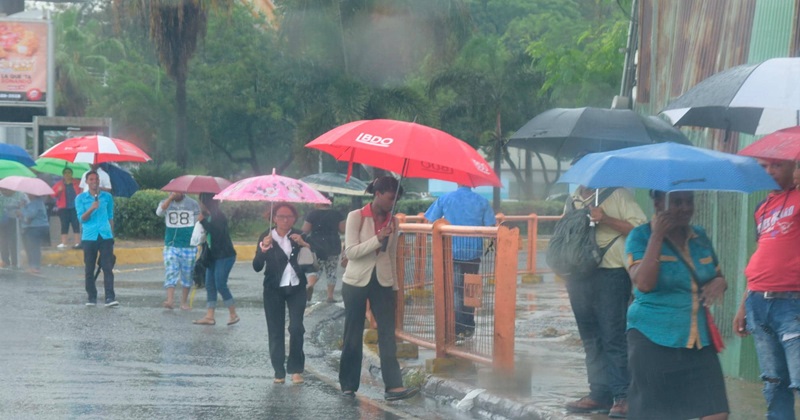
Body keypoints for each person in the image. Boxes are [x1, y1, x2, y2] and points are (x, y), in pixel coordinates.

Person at [625, 190, 729, 419]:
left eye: (689, 201)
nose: (685, 208)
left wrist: (720, 283)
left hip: (697, 339)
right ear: (658, 203)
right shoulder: (639, 236)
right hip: (653, 338)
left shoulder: (699, 237)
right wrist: (657, 237)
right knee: (658, 414)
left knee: (717, 412)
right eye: (677, 202)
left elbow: (716, 274)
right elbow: (643, 283)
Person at [564, 184, 646, 418]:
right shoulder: (573, 199)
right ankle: (598, 393)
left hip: (612, 273)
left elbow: (640, 229)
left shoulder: (619, 194)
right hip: (578, 274)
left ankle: (622, 396)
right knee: (590, 337)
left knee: (613, 335)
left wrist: (605, 218)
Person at [339, 176, 419, 401]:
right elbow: (352, 252)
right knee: (353, 334)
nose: (393, 203)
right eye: (390, 198)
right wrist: (377, 239)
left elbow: (391, 255)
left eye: (397, 200)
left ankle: (394, 386)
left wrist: (394, 285)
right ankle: (348, 384)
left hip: (383, 282)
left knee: (387, 334)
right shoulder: (356, 217)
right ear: (378, 193)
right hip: (356, 282)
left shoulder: (394, 221)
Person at [734, 158, 800, 420]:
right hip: (758, 302)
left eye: (776, 165)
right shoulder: (762, 208)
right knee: (773, 383)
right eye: (763, 166)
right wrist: (742, 305)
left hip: (792, 303)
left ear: (793, 167)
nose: (769, 171)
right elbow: (761, 254)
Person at [424, 185, 496, 338]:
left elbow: (430, 219)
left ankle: (458, 327)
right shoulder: (482, 201)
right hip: (473, 251)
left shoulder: (445, 198)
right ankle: (469, 324)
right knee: (470, 288)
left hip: (451, 250)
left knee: (456, 289)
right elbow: (491, 224)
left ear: (457, 183)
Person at [253, 203, 313, 384]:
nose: (285, 220)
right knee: (275, 330)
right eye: (281, 216)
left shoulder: (300, 235)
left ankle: (296, 368)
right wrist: (264, 248)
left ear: (295, 218)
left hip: (296, 288)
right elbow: (257, 267)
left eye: (289, 217)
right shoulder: (266, 236)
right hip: (273, 289)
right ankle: (278, 371)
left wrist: (304, 245)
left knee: (296, 327)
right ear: (274, 217)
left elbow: (311, 265)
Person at [193, 193, 239, 326]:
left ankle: (233, 314)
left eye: (201, 201)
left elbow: (217, 233)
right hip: (212, 256)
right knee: (209, 284)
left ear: (206, 202)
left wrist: (202, 221)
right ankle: (209, 316)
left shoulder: (218, 216)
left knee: (220, 284)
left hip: (224, 255)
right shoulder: (210, 216)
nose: (199, 204)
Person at [76, 171, 117, 307]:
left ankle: (110, 297)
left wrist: (112, 235)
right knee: (89, 268)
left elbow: (110, 216)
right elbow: (82, 218)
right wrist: (92, 208)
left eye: (97, 179)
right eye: (91, 179)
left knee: (107, 267)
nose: (95, 181)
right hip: (89, 236)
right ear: (87, 182)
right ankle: (91, 296)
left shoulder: (107, 197)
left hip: (105, 235)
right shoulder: (80, 199)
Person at [156, 192, 200, 310]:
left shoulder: (193, 204)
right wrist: (170, 199)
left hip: (188, 245)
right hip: (171, 244)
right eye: (172, 191)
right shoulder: (166, 202)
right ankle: (170, 300)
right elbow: (159, 212)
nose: (174, 193)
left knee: (187, 273)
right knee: (171, 271)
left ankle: (183, 302)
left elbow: (198, 221)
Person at [301, 196, 345, 303]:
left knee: (316, 269)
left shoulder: (312, 214)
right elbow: (343, 230)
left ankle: (310, 285)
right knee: (331, 271)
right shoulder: (337, 214)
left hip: (317, 245)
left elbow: (304, 230)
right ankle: (330, 296)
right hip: (333, 245)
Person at [17, 194, 49, 274]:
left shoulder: (36, 203)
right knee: (29, 247)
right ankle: (32, 266)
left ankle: (35, 266)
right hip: (31, 227)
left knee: (34, 247)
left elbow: (30, 215)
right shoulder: (32, 203)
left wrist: (22, 210)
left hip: (36, 227)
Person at [52, 167, 82, 249]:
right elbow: (53, 195)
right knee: (64, 224)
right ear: (63, 174)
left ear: (72, 174)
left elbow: (81, 192)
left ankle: (77, 242)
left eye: (69, 172)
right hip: (63, 207)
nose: (67, 174)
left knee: (75, 224)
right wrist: (59, 190)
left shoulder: (76, 183)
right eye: (65, 173)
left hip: (74, 206)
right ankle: (64, 242)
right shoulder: (59, 184)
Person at [0, 188, 25, 269]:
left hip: (14, 220)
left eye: (6, 190)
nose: (4, 192)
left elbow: (27, 206)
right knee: (3, 240)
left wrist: (21, 207)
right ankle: (5, 260)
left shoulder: (21, 195)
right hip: (2, 220)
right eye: (2, 190)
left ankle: (15, 261)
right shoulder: (1, 195)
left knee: (13, 241)